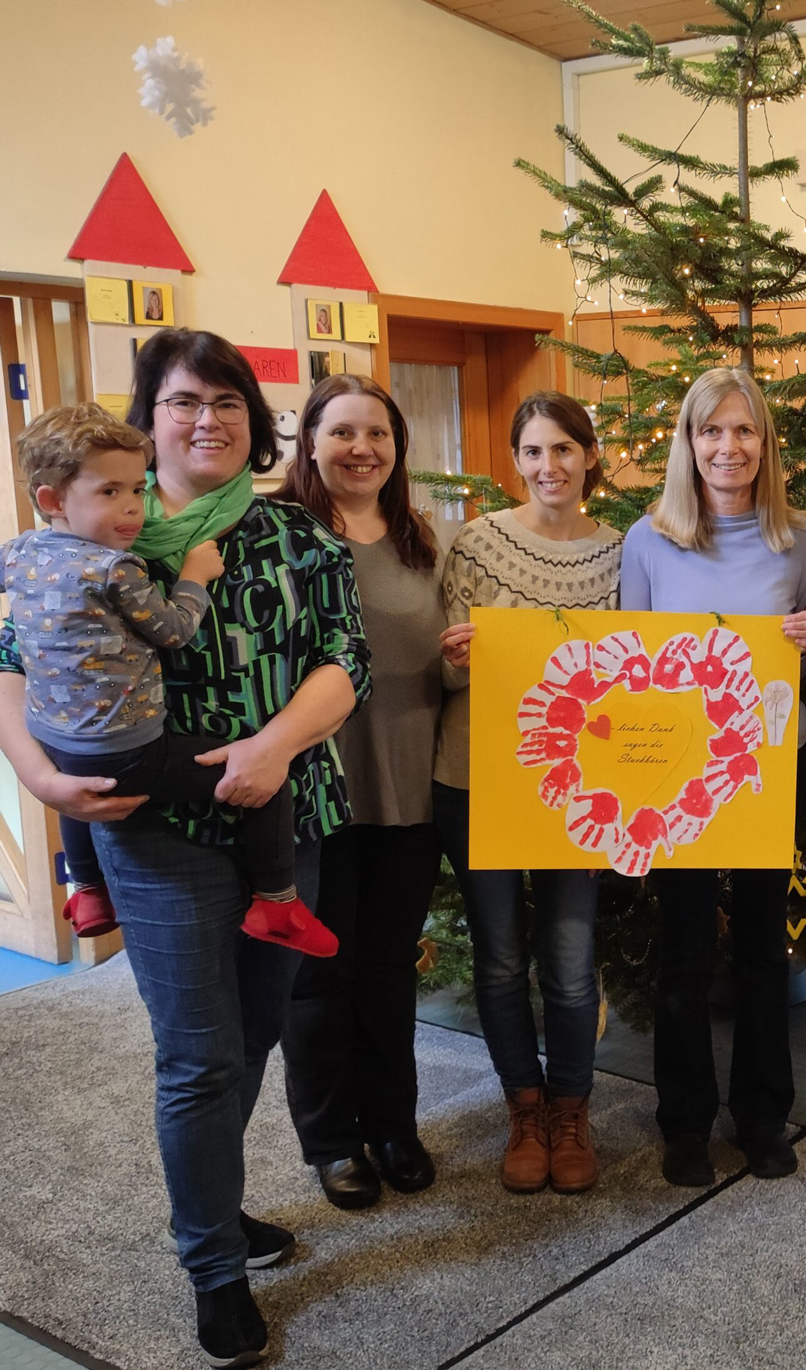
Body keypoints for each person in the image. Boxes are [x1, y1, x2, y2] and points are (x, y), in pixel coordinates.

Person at [0, 330, 368, 1369]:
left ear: (255, 423)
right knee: (199, 1054)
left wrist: (272, 745)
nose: (207, 418)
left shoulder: (303, 540)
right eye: (182, 400)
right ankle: (211, 1262)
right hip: (156, 832)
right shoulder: (95, 540)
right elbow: (10, 660)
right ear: (149, 415)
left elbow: (347, 659)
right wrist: (33, 770)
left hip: (285, 817)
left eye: (228, 402)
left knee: (254, 1032)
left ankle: (219, 1198)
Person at [2, 404, 332, 957]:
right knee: (262, 782)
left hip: (56, 738)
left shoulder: (20, 553)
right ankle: (277, 900)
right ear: (52, 500)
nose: (132, 508)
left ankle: (87, 892)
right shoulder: (117, 568)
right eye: (110, 492)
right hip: (128, 746)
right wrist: (193, 576)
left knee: (78, 793)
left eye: (137, 488)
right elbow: (174, 630)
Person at [620, 366, 806, 1188]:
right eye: (712, 431)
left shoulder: (800, 538)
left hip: (773, 764)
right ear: (688, 443)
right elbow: (628, 663)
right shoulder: (650, 539)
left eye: (744, 431)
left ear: (765, 443)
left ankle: (765, 1115)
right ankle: (685, 1121)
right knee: (686, 949)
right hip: (679, 772)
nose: (728, 447)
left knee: (766, 952)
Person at [434, 392, 622, 1197]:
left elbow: (639, 670)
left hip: (578, 790)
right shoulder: (475, 543)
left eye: (565, 450)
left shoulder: (621, 551)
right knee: (502, 958)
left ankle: (572, 1110)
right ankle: (525, 1109)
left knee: (573, 965)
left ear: (589, 458)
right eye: (535, 452)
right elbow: (440, 670)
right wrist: (459, 656)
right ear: (518, 461)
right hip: (478, 778)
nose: (551, 467)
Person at [275, 375, 446, 1210]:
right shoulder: (277, 535)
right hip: (314, 794)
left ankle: (392, 1126)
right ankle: (332, 1141)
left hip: (408, 793)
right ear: (309, 441)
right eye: (341, 432)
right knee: (318, 976)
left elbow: (447, 660)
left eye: (376, 434)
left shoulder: (421, 539)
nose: (361, 449)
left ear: (396, 447)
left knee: (386, 971)